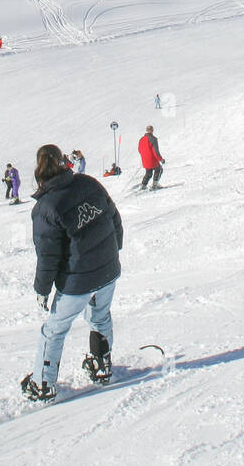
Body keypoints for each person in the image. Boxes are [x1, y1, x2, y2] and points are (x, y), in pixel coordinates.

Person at [21, 144, 123, 404]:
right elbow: (113, 216)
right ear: (64, 161)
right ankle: (101, 366)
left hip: (78, 280)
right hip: (108, 269)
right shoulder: (88, 183)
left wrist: (42, 289)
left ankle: (43, 383)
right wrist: (113, 249)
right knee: (99, 317)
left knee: (53, 330)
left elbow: (48, 256)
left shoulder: (46, 208)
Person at [137, 126, 165, 190]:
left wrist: (144, 156)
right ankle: (155, 185)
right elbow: (155, 151)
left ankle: (143, 185)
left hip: (145, 159)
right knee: (159, 169)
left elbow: (139, 149)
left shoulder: (141, 139)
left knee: (148, 172)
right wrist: (160, 159)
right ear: (152, 130)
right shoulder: (153, 139)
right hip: (152, 159)